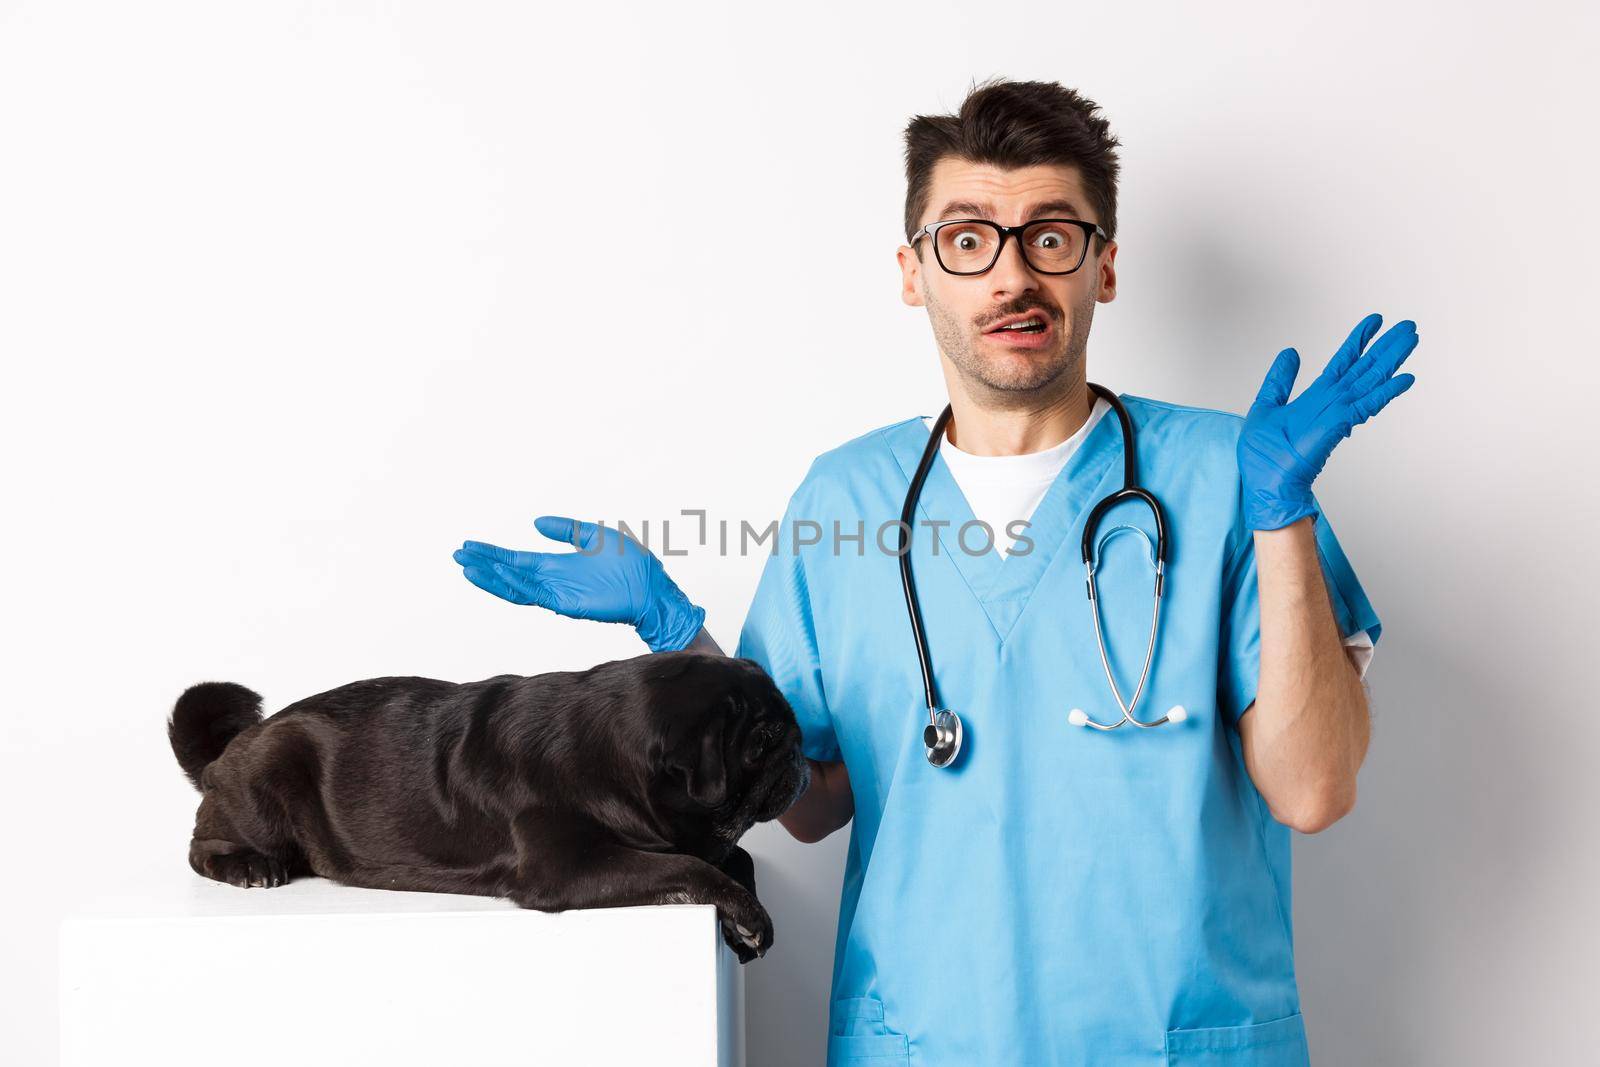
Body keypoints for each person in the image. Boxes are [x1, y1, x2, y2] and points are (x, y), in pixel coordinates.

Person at [451, 78, 1417, 1067]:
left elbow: (1312, 790)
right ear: (915, 272)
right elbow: (811, 801)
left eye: (1050, 236)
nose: (1011, 276)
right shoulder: (845, 497)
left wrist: (1282, 516)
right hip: (928, 1040)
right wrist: (675, 631)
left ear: (1104, 265)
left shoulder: (1228, 475)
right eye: (967, 240)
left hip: (1173, 1040)